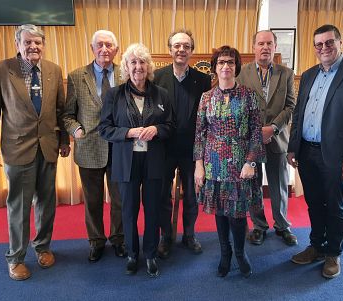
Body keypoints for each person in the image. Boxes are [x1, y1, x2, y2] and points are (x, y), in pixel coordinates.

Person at [0, 24, 70, 281]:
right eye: (28, 42)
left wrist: (64, 140)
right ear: (17, 44)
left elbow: (61, 110)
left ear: (43, 45)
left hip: (48, 147)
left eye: (38, 42)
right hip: (17, 148)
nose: (33, 46)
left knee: (46, 202)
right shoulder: (0, 70)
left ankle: (42, 247)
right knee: (19, 206)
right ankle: (16, 257)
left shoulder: (54, 70)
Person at [287, 24, 343, 279]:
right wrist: (294, 147)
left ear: (340, 42)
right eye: (319, 44)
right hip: (307, 152)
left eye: (329, 42)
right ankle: (316, 246)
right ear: (314, 48)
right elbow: (298, 112)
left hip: (337, 156)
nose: (324, 48)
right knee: (314, 202)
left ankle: (333, 252)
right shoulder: (308, 74)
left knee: (335, 205)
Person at [98, 43, 174, 277]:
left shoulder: (162, 94)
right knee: (128, 211)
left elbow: (170, 126)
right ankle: (132, 254)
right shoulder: (114, 94)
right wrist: (128, 133)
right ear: (126, 67)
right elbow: (104, 128)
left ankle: (150, 254)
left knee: (152, 210)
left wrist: (157, 130)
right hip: (126, 162)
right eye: (133, 62)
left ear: (149, 67)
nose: (138, 67)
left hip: (153, 162)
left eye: (142, 62)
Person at [194, 46, 265, 277]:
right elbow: (199, 134)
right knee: (220, 212)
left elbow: (256, 133)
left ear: (236, 66)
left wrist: (251, 162)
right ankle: (225, 254)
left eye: (231, 62)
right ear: (215, 67)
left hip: (240, 164)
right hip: (214, 165)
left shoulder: (249, 95)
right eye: (221, 62)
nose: (226, 66)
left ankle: (240, 252)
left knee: (237, 212)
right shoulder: (206, 98)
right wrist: (199, 165)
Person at [64, 30, 126, 262]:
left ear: (116, 50)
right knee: (92, 200)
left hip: (120, 148)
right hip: (89, 147)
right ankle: (96, 241)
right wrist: (75, 130)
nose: (104, 49)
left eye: (109, 45)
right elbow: (67, 114)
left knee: (120, 199)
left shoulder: (126, 73)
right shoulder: (76, 76)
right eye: (99, 45)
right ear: (92, 49)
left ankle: (118, 239)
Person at [153, 29, 211, 258]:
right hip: (163, 149)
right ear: (170, 50)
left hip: (191, 150)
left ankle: (189, 235)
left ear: (191, 51)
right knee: (161, 196)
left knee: (191, 197)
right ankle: (166, 237)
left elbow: (206, 117)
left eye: (186, 46)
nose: (181, 50)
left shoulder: (203, 79)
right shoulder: (157, 77)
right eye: (177, 46)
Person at [236, 30, 297, 246]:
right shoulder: (241, 74)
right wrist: (256, 132)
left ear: (275, 46)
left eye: (269, 43)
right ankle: (259, 226)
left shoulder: (286, 73)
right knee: (253, 186)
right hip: (250, 142)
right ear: (253, 47)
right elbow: (239, 107)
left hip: (277, 139)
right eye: (260, 43)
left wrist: (273, 128)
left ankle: (282, 226)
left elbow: (291, 106)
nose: (265, 47)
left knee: (279, 185)